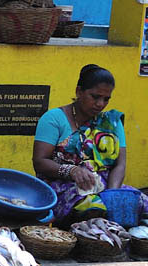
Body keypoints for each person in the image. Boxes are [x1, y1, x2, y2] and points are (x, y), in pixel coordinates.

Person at [32, 64, 148, 223]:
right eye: (95, 97)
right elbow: (40, 162)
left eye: (106, 99)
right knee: (94, 208)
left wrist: (112, 194)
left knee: (138, 203)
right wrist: (71, 171)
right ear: (79, 91)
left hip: (104, 186)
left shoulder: (112, 123)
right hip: (62, 188)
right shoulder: (54, 118)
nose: (100, 104)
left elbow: (119, 164)